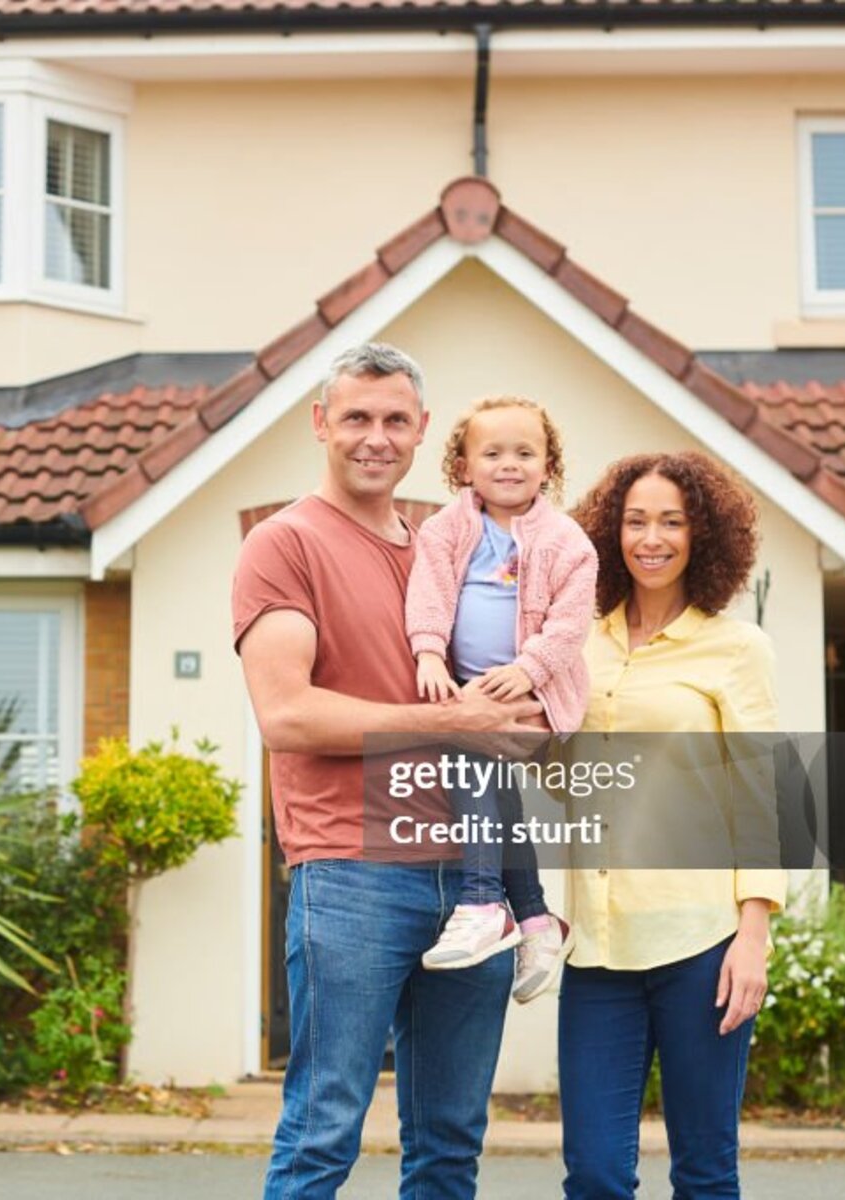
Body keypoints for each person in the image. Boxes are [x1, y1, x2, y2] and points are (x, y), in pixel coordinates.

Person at [233, 343, 542, 1200]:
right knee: (324, 1128)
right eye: (357, 417)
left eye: (394, 420)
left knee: (448, 1145)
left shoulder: (453, 548)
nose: (376, 437)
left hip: (473, 888)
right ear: (321, 423)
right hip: (352, 874)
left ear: (422, 432)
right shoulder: (284, 544)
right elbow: (286, 715)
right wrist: (456, 720)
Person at [559, 451, 787, 1199]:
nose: (650, 538)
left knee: (705, 1170)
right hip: (596, 949)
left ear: (704, 535)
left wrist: (753, 937)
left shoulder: (736, 648)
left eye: (671, 522)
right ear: (609, 533)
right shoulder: (576, 644)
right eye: (634, 521)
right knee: (594, 1173)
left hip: (703, 946)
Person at [404, 396, 596, 1001]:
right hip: (466, 686)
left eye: (525, 452)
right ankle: (537, 921)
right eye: (492, 452)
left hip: (534, 695)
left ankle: (485, 901)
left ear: (548, 466)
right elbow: (429, 595)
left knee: (470, 757)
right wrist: (429, 652)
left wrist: (529, 668)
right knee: (494, 789)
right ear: (463, 466)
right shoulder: (445, 530)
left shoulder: (568, 542)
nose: (508, 464)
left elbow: (570, 623)